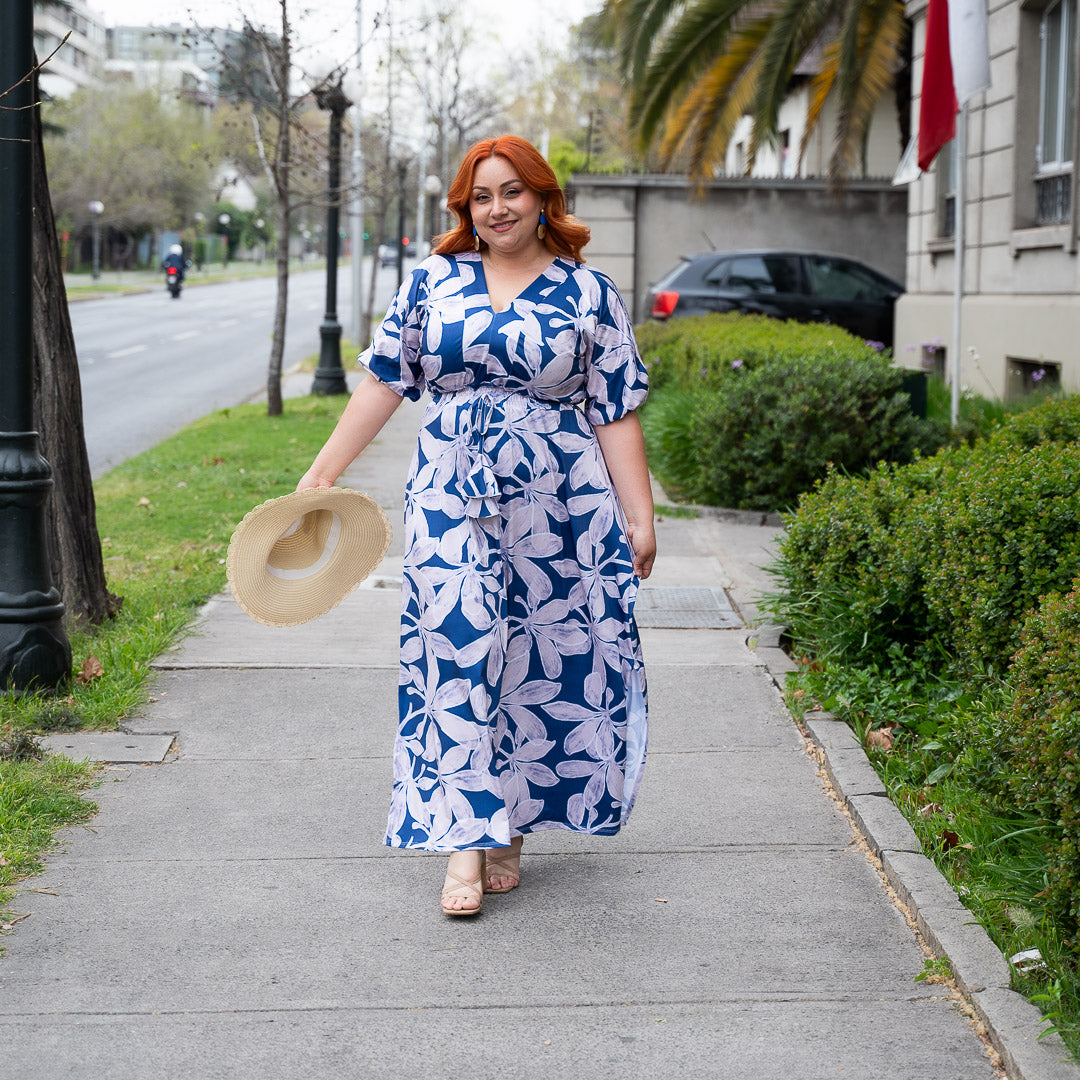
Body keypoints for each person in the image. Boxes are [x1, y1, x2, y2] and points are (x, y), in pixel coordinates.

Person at [297, 134, 655, 916]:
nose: (497, 209)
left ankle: (511, 823)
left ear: (542, 199)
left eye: (512, 193)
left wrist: (640, 515)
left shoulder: (587, 292)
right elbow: (384, 381)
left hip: (560, 501)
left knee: (538, 654)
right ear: (466, 208)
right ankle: (464, 838)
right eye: (481, 197)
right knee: (459, 645)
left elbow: (617, 407)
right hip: (450, 491)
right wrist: (325, 472)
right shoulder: (433, 281)